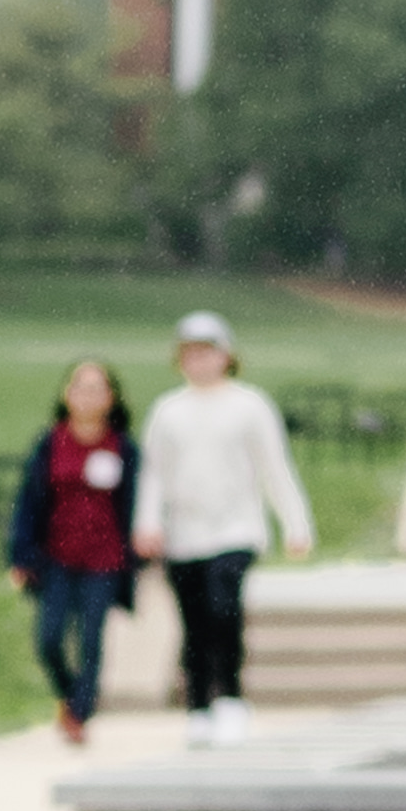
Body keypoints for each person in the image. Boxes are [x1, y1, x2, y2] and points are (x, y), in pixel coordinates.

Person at [130, 312, 315, 739]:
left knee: (223, 608)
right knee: (193, 619)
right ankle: (198, 704)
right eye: (190, 354)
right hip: (184, 533)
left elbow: (274, 467)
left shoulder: (250, 405)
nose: (199, 362)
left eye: (207, 352)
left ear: (226, 356)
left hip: (235, 527)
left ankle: (230, 695)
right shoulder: (168, 410)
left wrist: (295, 523)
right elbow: (155, 472)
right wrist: (147, 522)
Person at [3, 357, 138, 743]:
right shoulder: (50, 443)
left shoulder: (123, 448)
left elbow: (134, 502)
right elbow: (29, 502)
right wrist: (20, 555)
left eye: (97, 388)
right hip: (57, 557)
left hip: (104, 558)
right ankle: (68, 695)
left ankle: (80, 712)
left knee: (91, 638)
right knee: (49, 638)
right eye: (81, 387)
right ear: (67, 394)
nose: (88, 396)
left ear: (111, 398)